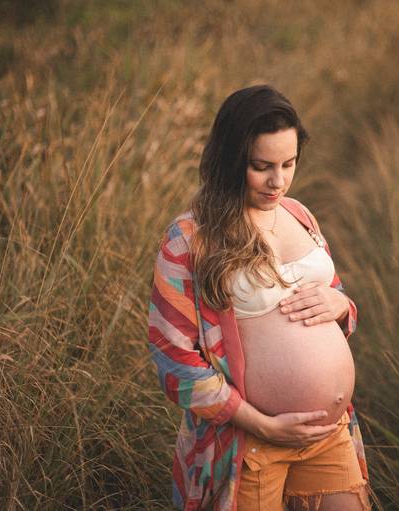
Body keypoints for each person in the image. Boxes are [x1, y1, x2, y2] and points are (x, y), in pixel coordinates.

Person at [148, 84, 370, 510]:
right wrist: (263, 425)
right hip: (250, 443)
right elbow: (172, 356)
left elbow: (335, 296)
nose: (278, 181)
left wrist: (343, 306)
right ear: (231, 160)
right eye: (261, 166)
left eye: (289, 163)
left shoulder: (297, 213)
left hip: (328, 434)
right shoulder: (190, 240)